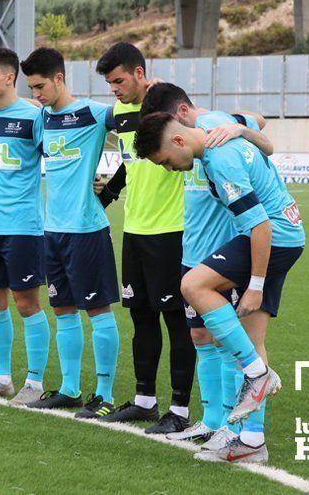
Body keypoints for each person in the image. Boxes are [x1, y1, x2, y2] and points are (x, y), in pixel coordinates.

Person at [134, 111, 305, 463]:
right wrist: (243, 128)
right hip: (286, 235)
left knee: (193, 284)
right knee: (253, 339)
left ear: (178, 140)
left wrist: (255, 284)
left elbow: (259, 225)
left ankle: (257, 375)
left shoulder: (219, 158)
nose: (169, 169)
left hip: (274, 237)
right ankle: (252, 441)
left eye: (166, 161)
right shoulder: (213, 130)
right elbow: (266, 145)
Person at [92, 43, 194, 434]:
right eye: (108, 83)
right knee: (141, 316)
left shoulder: (170, 105)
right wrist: (103, 194)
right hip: (134, 231)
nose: (114, 89)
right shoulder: (118, 114)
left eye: (118, 80)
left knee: (176, 320)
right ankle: (145, 402)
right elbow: (120, 162)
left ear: (139, 73)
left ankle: (181, 410)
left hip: (172, 230)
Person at [17, 48, 121, 420]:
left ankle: (105, 393)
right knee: (62, 309)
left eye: (41, 86)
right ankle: (70, 389)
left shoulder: (92, 113)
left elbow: (136, 119)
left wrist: (113, 183)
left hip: (86, 229)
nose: (37, 94)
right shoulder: (42, 117)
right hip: (52, 230)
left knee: (97, 310)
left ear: (59, 78)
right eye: (31, 88)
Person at [0, 47, 50, 405]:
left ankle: (34, 382)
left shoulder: (34, 117)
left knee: (27, 303)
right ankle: (3, 378)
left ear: (9, 78)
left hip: (23, 226)